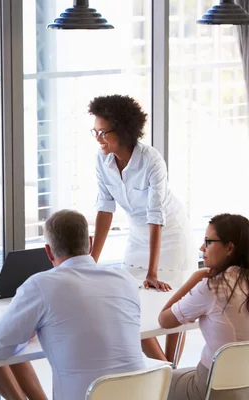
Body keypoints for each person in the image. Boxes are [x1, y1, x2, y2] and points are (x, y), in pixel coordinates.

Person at [0, 209, 145, 400]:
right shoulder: (124, 279)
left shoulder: (41, 285)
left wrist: (26, 332)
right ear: (91, 243)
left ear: (48, 252)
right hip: (140, 394)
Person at [88, 94, 196, 361]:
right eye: (95, 131)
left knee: (175, 307)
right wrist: (90, 261)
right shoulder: (102, 160)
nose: (98, 138)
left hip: (169, 234)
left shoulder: (151, 161)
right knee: (126, 303)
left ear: (123, 130)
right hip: (137, 235)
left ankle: (172, 369)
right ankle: (164, 370)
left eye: (103, 132)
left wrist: (152, 271)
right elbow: (104, 208)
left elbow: (155, 215)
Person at [159, 214, 249, 400]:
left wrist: (195, 278)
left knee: (155, 382)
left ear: (229, 248)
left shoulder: (214, 286)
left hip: (216, 390)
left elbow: (165, 319)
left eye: (208, 242)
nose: (202, 248)